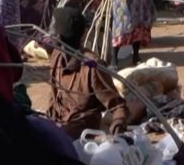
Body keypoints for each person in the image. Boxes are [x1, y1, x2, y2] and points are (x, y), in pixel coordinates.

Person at [45, 7, 130, 138]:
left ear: (59, 36)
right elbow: (53, 96)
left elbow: (117, 105)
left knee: (56, 139)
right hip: (57, 121)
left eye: (53, 31)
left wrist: (118, 122)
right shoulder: (56, 56)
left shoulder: (92, 66)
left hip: (81, 128)